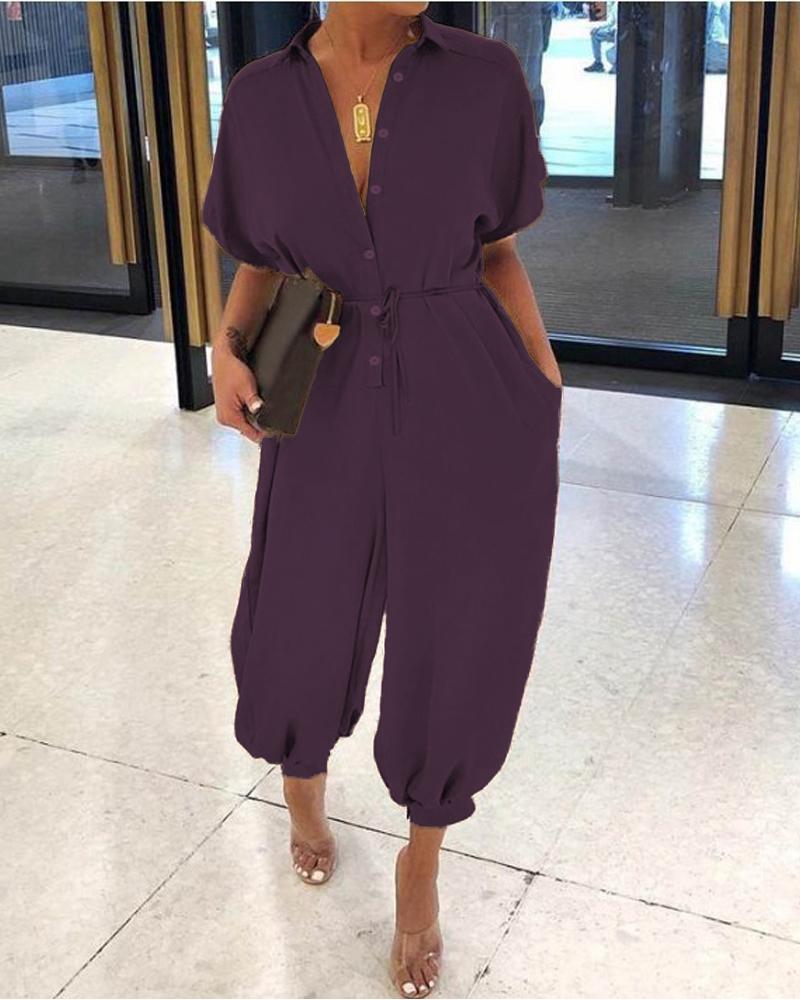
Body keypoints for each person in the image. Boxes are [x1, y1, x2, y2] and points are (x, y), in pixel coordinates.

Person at [202, 3, 562, 996]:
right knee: (298, 609)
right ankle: (301, 784)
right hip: (321, 384)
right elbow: (259, 257)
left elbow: (497, 252)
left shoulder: (485, 78)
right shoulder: (261, 98)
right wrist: (223, 347)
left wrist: (541, 383)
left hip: (467, 383)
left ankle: (422, 862)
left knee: (460, 626)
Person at [584, 0, 617, 72]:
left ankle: (617, 64)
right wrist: (598, 28)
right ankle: (598, 63)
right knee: (595, 34)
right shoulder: (614, 4)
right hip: (613, 31)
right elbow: (611, 21)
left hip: (619, 32)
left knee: (609, 53)